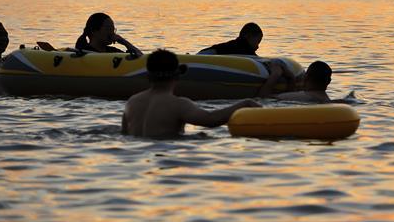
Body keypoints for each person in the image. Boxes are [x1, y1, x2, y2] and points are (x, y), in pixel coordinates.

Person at [122, 49, 260, 138]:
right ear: (177, 75)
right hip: (165, 151)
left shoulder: (132, 102)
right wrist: (245, 103)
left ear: (148, 75)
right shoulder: (178, 104)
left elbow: (124, 135)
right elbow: (210, 120)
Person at [75, 13, 142, 56]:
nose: (112, 33)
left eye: (113, 29)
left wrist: (124, 42)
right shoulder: (83, 52)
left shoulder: (114, 52)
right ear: (94, 31)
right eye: (108, 29)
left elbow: (141, 60)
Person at [198, 22, 263, 56]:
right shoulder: (242, 46)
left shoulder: (241, 47)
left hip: (205, 53)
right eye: (257, 41)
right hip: (208, 54)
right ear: (248, 36)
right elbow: (252, 56)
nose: (258, 46)